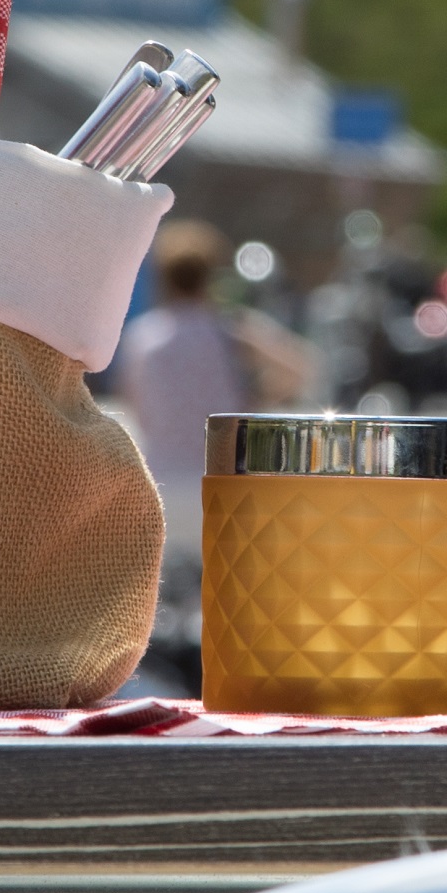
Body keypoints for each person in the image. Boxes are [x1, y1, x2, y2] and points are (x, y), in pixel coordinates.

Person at [109, 220, 314, 609]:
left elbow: (134, 407)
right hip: (221, 486)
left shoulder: (142, 337)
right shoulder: (232, 332)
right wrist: (255, 398)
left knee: (163, 609)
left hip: (162, 485)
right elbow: (301, 368)